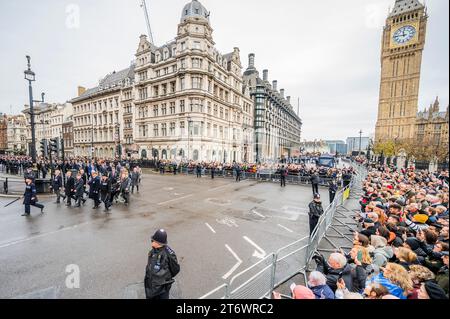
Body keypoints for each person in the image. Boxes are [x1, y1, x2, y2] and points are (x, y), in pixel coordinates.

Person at [144, 229, 180, 300]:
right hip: (151, 285)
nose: (151, 241)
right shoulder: (153, 250)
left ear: (158, 243)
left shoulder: (168, 254)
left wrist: (165, 279)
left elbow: (175, 269)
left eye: (153, 240)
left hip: (162, 288)